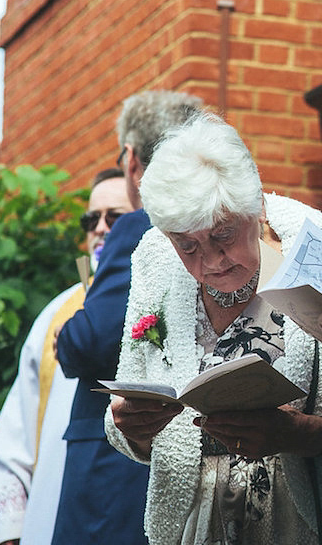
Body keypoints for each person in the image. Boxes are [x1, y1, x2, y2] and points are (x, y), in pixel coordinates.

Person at [106, 116, 322, 545]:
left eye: (223, 235)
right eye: (187, 245)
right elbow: (126, 405)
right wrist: (130, 426)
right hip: (194, 526)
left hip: (309, 522)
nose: (211, 261)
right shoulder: (154, 258)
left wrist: (309, 434)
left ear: (256, 206)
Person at [53, 90, 203, 545]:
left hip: (117, 462)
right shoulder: (219, 223)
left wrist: (67, 332)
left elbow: (94, 338)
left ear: (133, 159)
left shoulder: (139, 226)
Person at [0, 168, 132, 545]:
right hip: (49, 511)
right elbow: (14, 432)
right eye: (91, 218)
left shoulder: (156, 301)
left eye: (115, 217)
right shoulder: (57, 312)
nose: (100, 227)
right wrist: (12, 530)